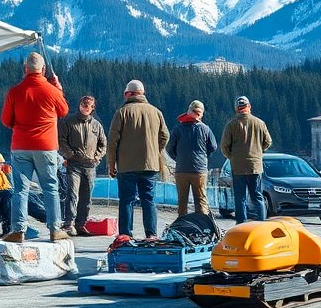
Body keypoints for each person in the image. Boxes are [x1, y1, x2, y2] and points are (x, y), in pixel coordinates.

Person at [0, 52, 70, 242]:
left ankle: (18, 230)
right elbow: (63, 111)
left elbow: (6, 120)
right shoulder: (52, 91)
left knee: (20, 190)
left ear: (25, 70)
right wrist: (58, 89)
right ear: (44, 70)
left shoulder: (14, 92)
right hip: (46, 146)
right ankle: (55, 229)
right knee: (50, 187)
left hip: (21, 146)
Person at [107, 79, 169, 239]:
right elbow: (165, 136)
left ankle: (125, 235)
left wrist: (111, 163)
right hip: (150, 165)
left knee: (127, 200)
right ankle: (151, 234)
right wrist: (155, 151)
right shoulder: (156, 112)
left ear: (129, 94)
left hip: (127, 166)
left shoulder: (122, 112)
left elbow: (112, 140)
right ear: (142, 94)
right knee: (148, 199)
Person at [58, 95, 107, 236]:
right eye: (83, 104)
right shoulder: (68, 121)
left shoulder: (97, 125)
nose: (85, 106)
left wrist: (96, 157)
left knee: (86, 197)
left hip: (90, 166)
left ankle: (80, 224)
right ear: (79, 105)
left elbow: (103, 144)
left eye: (88, 105)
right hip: (73, 164)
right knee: (72, 194)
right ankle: (68, 224)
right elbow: (61, 140)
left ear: (92, 108)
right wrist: (70, 155)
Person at [220, 95, 272, 222]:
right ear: (249, 107)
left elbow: (224, 146)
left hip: (238, 167)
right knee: (257, 197)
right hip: (255, 166)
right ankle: (261, 223)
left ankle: (241, 225)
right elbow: (268, 142)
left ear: (236, 109)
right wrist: (259, 152)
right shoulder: (260, 123)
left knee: (240, 197)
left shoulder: (232, 124)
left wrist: (232, 157)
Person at [167, 99, 217, 217]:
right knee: (201, 201)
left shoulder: (178, 129)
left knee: (182, 202)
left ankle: (182, 227)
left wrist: (178, 158)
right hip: (199, 170)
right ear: (201, 114)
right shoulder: (205, 129)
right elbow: (213, 146)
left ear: (188, 111)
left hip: (181, 170)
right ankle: (202, 227)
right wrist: (204, 156)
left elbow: (169, 149)